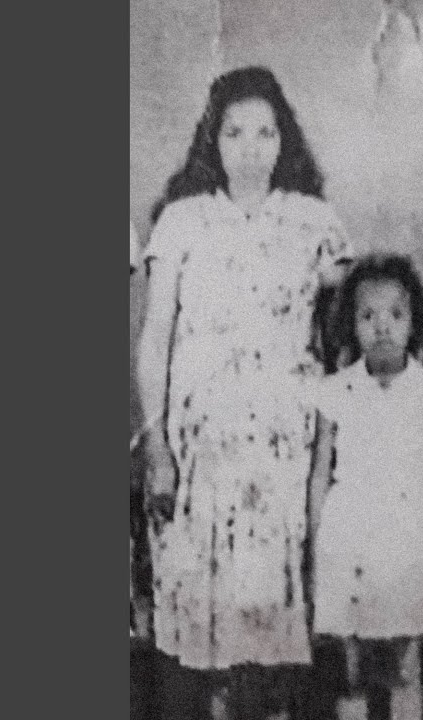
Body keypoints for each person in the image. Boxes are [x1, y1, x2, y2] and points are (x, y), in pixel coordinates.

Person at [136, 66, 353, 720]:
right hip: (201, 446)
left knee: (274, 623)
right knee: (207, 636)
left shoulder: (314, 220)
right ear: (214, 140)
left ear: (285, 140)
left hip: (285, 445)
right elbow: (156, 336)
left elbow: (348, 330)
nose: (251, 148)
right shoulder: (181, 221)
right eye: (235, 133)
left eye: (265, 132)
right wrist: (157, 446)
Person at [305, 254, 423, 720]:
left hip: (410, 536)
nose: (382, 327)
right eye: (367, 316)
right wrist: (314, 554)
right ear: (350, 324)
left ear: (414, 322)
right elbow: (320, 476)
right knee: (352, 670)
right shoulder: (334, 392)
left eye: (396, 314)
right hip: (348, 536)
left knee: (404, 666)